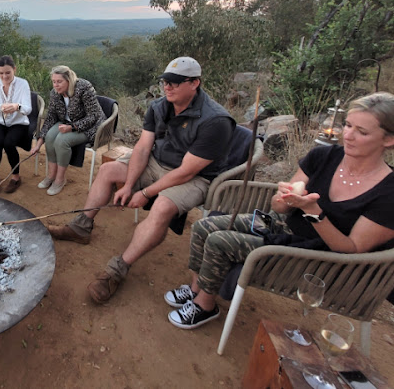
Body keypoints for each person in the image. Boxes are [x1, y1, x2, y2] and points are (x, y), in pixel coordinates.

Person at [165, 92, 394, 329]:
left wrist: (313, 212)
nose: (348, 135)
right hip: (281, 224)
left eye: (362, 132)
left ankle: (205, 305)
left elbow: (351, 249)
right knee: (204, 227)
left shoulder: (388, 192)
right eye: (347, 125)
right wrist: (285, 199)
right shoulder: (324, 156)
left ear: (388, 140)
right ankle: (196, 288)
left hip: (314, 255)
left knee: (220, 241)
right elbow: (278, 207)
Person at [48, 57, 235, 303]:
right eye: (165, 81)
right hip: (157, 162)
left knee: (161, 206)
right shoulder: (160, 106)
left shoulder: (215, 121)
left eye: (176, 83)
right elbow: (144, 148)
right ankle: (81, 227)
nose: (168, 86)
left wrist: (145, 193)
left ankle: (117, 270)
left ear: (195, 83)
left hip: (194, 176)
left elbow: (187, 172)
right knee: (108, 171)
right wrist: (128, 186)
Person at [29, 66, 104, 196]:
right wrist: (39, 143)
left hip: (90, 126)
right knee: (50, 137)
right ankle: (51, 175)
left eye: (59, 81)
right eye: (53, 81)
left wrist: (72, 127)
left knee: (62, 141)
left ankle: (60, 179)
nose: (56, 85)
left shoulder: (84, 88)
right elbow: (51, 118)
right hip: (66, 122)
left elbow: (94, 115)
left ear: (68, 80)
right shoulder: (54, 93)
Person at [0, 55, 32, 193]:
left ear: (14, 70)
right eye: (1, 73)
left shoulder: (23, 84)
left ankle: (16, 177)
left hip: (18, 122)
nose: (4, 76)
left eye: (7, 72)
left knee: (9, 143)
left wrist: (17, 106)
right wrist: (1, 107)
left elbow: (28, 109)